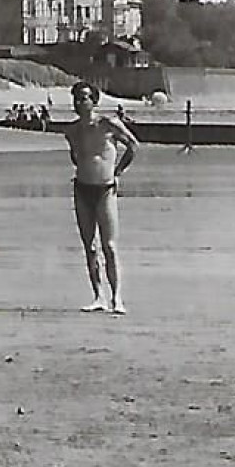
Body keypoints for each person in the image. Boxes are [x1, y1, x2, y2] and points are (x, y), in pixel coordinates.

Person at [65, 80, 138, 315]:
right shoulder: (72, 130)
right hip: (82, 188)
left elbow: (133, 145)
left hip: (105, 188)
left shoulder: (108, 123)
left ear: (94, 101)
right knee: (90, 246)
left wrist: (116, 172)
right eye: (76, 99)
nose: (80, 102)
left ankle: (117, 297)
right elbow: (76, 156)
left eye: (84, 98)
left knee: (109, 245)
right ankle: (98, 296)